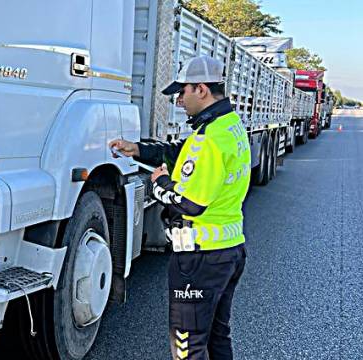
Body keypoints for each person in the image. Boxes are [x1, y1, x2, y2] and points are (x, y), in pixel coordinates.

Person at [110, 55, 250, 360]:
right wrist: (139, 149)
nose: (178, 99)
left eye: (182, 91)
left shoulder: (209, 139)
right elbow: (183, 155)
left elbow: (190, 203)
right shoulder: (229, 126)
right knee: (217, 336)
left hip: (200, 257)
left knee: (188, 347)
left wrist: (159, 184)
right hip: (229, 249)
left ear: (201, 89)